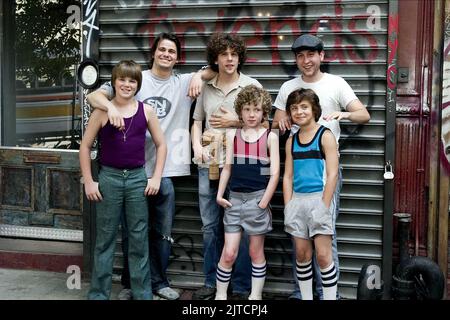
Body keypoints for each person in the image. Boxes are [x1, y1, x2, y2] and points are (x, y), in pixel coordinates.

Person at [86, 32, 213, 300]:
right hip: (129, 172)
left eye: (172, 51)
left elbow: (217, 70)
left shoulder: (182, 82)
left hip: (163, 173)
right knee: (128, 234)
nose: (167, 54)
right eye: (162, 49)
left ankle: (157, 283)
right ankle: (130, 285)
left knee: (160, 233)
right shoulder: (135, 78)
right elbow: (95, 96)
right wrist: (109, 108)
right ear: (153, 52)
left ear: (178, 58)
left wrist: (199, 75)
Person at [273, 34, 370, 299]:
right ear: (296, 59)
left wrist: (344, 114)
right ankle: (302, 292)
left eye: (311, 55)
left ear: (321, 56)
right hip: (299, 170)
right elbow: (276, 121)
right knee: (301, 241)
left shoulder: (336, 83)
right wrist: (279, 123)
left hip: (325, 170)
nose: (306, 61)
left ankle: (330, 294)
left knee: (326, 236)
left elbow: (364, 114)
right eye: (301, 56)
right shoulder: (287, 87)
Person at [80, 60, 167, 300]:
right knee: (105, 238)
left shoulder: (146, 111)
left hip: (138, 179)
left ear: (137, 85)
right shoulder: (102, 111)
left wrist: (156, 177)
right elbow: (85, 147)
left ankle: (142, 294)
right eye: (122, 79)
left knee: (139, 239)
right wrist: (89, 181)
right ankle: (98, 294)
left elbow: (161, 145)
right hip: (109, 178)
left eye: (132, 81)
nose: (127, 84)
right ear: (114, 82)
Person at [191, 33, 262, 300]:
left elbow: (265, 126)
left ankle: (242, 287)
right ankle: (211, 282)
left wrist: (236, 121)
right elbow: (197, 120)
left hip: (242, 165)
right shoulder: (206, 87)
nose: (229, 59)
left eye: (234, 54)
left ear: (239, 57)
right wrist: (196, 146)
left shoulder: (251, 85)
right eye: (224, 54)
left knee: (242, 227)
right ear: (216, 59)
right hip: (208, 164)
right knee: (210, 226)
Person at [214, 85, 279, 300]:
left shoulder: (270, 136)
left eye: (257, 110)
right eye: (247, 109)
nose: (252, 114)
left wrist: (264, 202)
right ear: (240, 111)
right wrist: (220, 195)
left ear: (264, 112)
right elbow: (228, 167)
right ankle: (221, 295)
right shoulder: (234, 134)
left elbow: (275, 172)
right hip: (234, 200)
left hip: (257, 200)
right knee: (229, 252)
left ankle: (255, 296)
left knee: (255, 252)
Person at [283, 88, 339, 300]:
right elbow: (287, 176)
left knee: (324, 256)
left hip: (319, 199)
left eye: (304, 107)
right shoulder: (291, 140)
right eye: (294, 108)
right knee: (302, 255)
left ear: (314, 109)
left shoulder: (325, 136)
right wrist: (289, 205)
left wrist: (324, 206)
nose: (299, 112)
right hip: (298, 201)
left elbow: (333, 174)